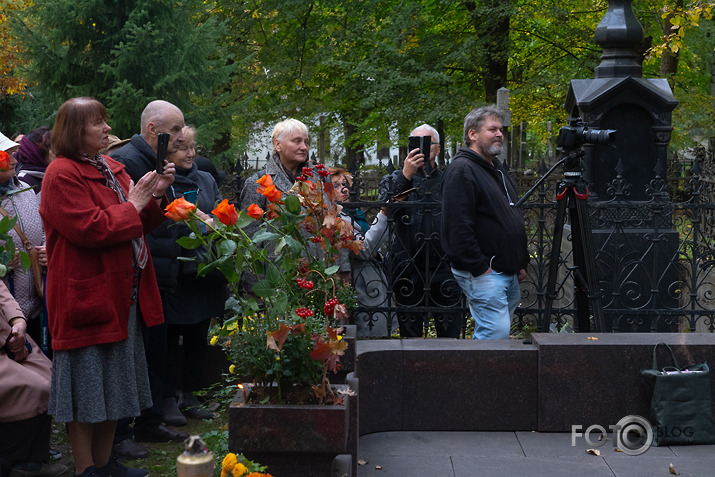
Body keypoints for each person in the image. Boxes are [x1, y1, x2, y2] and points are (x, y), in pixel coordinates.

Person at [39, 97, 175, 477]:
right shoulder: (61, 174)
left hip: (121, 295)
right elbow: (90, 229)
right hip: (84, 296)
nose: (106, 128)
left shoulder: (112, 169)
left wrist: (157, 194)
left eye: (105, 120)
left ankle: (105, 463)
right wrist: (134, 203)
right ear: (73, 131)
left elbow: (138, 224)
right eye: (96, 123)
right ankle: (85, 469)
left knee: (116, 384)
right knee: (85, 390)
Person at [110, 100, 189, 454]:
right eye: (176, 129)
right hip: (142, 269)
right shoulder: (130, 160)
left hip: (157, 267)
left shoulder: (157, 161)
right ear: (154, 131)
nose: (182, 135)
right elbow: (128, 218)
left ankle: (148, 419)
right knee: (139, 349)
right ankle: (128, 428)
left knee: (156, 348)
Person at [441, 105, 529, 340]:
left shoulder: (495, 169)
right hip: (484, 272)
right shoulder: (462, 170)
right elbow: (457, 226)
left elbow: (509, 216)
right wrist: (480, 268)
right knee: (494, 334)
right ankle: (474, 377)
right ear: (472, 134)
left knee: (495, 335)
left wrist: (519, 262)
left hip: (505, 270)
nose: (500, 133)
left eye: (500, 129)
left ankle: (484, 375)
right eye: (492, 129)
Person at [161, 126, 226, 426]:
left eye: (192, 148)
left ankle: (190, 394)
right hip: (175, 272)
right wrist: (201, 224)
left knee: (199, 337)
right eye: (181, 149)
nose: (189, 154)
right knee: (170, 340)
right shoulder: (162, 182)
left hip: (204, 270)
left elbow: (220, 215)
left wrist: (211, 224)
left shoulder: (206, 180)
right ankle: (168, 397)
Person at [378, 124, 463, 338]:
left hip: (444, 267)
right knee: (410, 336)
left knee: (449, 335)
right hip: (407, 267)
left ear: (438, 149)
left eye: (428, 143)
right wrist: (406, 177)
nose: (421, 149)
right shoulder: (393, 179)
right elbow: (387, 210)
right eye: (415, 143)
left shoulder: (450, 180)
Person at [329, 168, 392, 337]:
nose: (344, 189)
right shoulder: (335, 218)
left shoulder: (354, 213)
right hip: (362, 287)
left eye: (344, 184)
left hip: (374, 283)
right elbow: (364, 250)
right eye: (335, 186)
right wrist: (384, 212)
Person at [0, 138, 48, 350]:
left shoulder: (27, 189)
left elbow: (45, 226)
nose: (13, 160)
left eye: (13, 153)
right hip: (6, 313)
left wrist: (48, 248)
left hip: (36, 301)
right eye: (6, 155)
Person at [239, 118, 310, 213]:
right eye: (297, 141)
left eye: (306, 142)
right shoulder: (257, 183)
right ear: (278, 145)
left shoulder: (319, 179)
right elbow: (250, 226)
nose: (304, 147)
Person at [15, 127, 53, 195]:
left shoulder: (53, 176)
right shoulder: (23, 183)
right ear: (35, 152)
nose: (55, 152)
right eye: (48, 146)